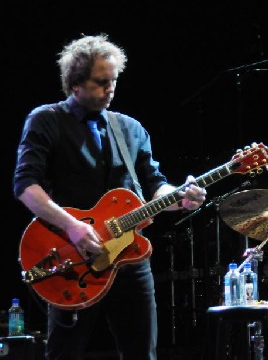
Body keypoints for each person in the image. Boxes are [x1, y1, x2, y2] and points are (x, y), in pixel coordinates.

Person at [13, 34, 207, 360]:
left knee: (142, 353)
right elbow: (25, 187)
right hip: (71, 258)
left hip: (130, 259)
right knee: (64, 354)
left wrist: (181, 197)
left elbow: (155, 186)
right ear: (75, 84)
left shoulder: (131, 129)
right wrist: (74, 226)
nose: (111, 88)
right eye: (101, 82)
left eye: (114, 80)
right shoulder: (47, 120)